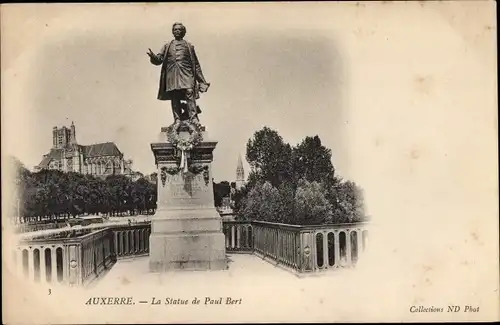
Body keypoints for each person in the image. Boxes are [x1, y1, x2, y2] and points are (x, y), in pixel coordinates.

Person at [147, 22, 210, 124]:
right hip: (172, 74)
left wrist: (202, 81)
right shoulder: (167, 46)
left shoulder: (189, 46)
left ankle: (193, 118)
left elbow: (196, 65)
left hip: (187, 72)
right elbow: (159, 59)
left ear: (183, 32)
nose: (177, 31)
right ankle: (177, 119)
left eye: (179, 29)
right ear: (173, 32)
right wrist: (153, 57)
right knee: (175, 95)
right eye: (175, 29)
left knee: (190, 91)